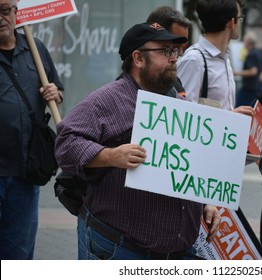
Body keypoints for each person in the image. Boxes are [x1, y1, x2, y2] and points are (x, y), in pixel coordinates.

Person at [54, 22, 221, 260]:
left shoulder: (181, 108)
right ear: (138, 59)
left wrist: (205, 201)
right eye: (164, 51)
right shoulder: (106, 100)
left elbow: (187, 167)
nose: (174, 58)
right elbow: (66, 144)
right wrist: (111, 156)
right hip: (120, 247)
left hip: (177, 252)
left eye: (174, 51)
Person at [0, 0, 63, 260]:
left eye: (4, 11)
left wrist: (54, 93)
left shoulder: (35, 49)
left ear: (16, 12)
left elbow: (56, 91)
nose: (0, 18)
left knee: (19, 253)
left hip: (25, 172)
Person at [177, 0, 254, 117]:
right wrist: (230, 116)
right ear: (231, 23)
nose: (240, 22)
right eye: (240, 18)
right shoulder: (194, 60)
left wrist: (234, 116)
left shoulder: (224, 58)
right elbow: (181, 113)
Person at [146, 6, 192, 99]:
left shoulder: (173, 82)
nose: (180, 53)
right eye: (176, 45)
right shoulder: (121, 93)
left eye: (184, 46)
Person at [234, 31, 262, 107]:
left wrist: (236, 73)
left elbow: (253, 71)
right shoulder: (258, 52)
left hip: (249, 88)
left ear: (248, 42)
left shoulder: (251, 54)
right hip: (256, 87)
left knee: (240, 108)